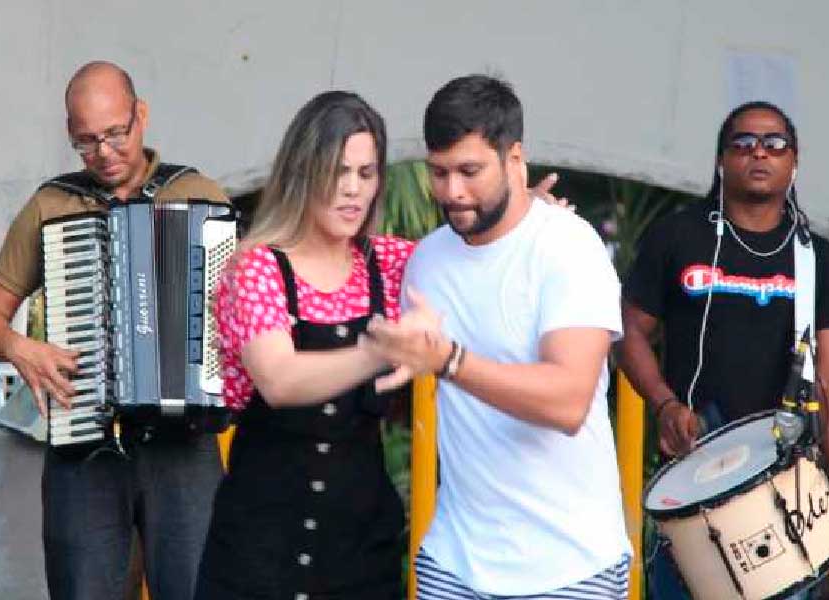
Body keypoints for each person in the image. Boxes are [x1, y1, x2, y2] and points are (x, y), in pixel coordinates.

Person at [0, 61, 227, 600]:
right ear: (70, 133)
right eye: (86, 141)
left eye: (116, 133)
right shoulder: (51, 205)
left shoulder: (201, 196)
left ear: (141, 116)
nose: (104, 153)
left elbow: (237, 318)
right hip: (85, 447)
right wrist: (19, 347)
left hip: (184, 447)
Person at [365, 74, 631, 599]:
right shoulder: (427, 260)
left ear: (515, 159)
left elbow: (568, 402)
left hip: (569, 567)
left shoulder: (568, 246)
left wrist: (450, 361)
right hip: (454, 563)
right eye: (439, 172)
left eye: (470, 171)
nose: (452, 191)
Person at [193, 90, 416, 600]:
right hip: (259, 556)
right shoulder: (258, 266)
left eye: (366, 173)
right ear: (302, 173)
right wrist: (377, 352)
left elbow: (475, 264)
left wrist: (526, 222)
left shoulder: (391, 263)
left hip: (361, 554)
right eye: (337, 172)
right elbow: (279, 379)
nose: (352, 189)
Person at [619, 101, 829, 599]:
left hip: (787, 481)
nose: (759, 152)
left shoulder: (816, 255)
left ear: (794, 161)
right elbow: (627, 331)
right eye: (743, 142)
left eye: (775, 143)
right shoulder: (677, 236)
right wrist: (664, 404)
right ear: (720, 159)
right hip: (694, 467)